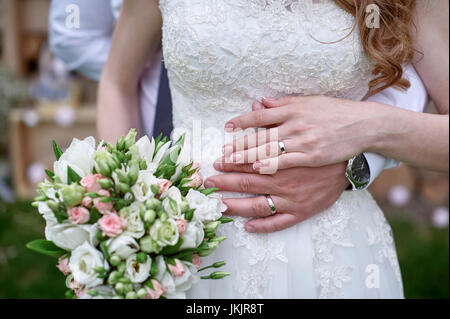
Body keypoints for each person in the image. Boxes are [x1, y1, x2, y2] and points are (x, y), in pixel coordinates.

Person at [70, 0, 450, 298]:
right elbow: (118, 83)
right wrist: (122, 205)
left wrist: (368, 126)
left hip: (334, 251)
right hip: (183, 238)